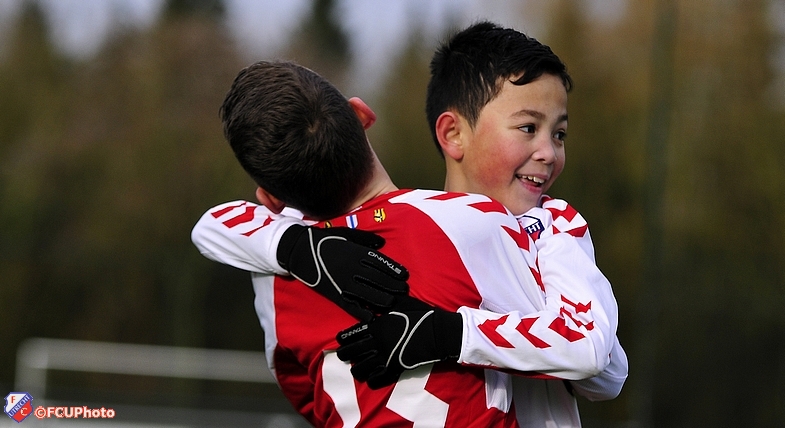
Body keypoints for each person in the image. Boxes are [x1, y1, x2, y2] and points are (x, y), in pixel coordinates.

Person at [192, 57, 617, 426]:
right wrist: (449, 333)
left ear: (270, 199)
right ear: (362, 115)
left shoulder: (270, 279)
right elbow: (600, 367)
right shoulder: (479, 224)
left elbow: (304, 394)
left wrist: (294, 247)